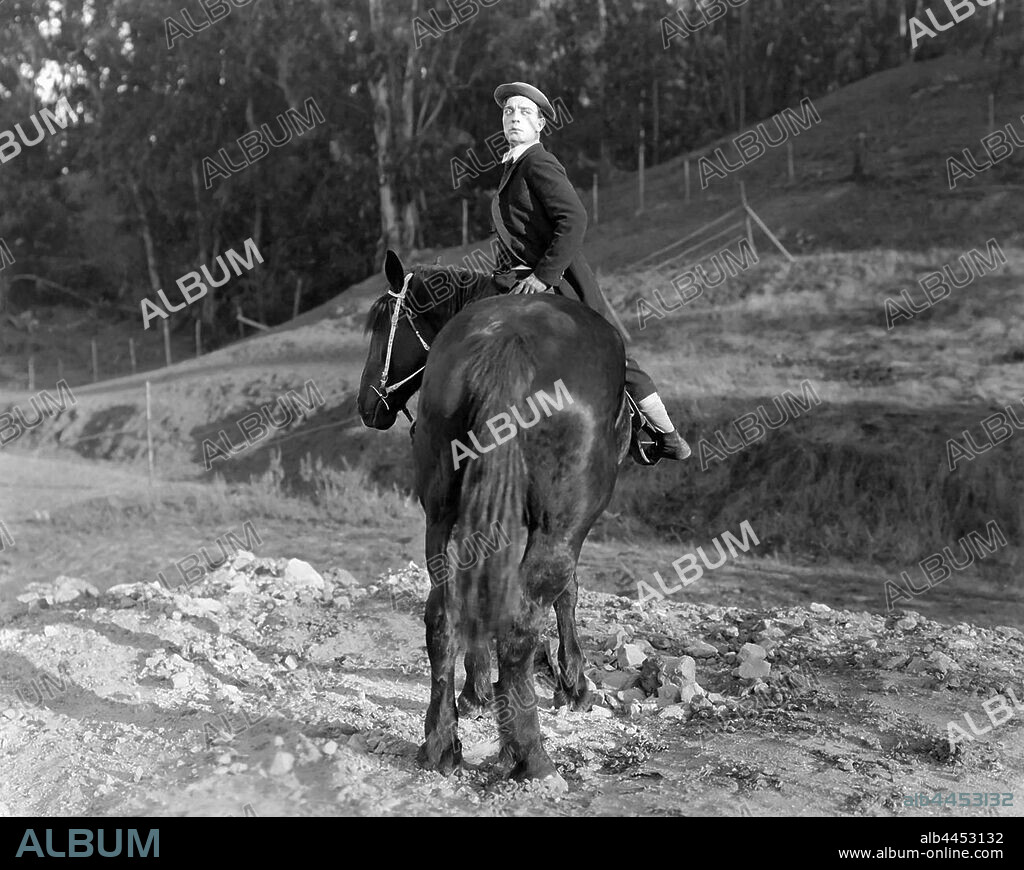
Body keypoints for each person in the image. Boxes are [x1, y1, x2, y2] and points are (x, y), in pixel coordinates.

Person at [489, 81, 690, 462]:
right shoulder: (513, 166)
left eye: (525, 112)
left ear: (540, 126)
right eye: (509, 111)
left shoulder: (538, 162)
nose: (515, 117)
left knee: (610, 357)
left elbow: (575, 218)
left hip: (558, 284)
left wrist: (543, 276)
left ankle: (666, 434)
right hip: (517, 284)